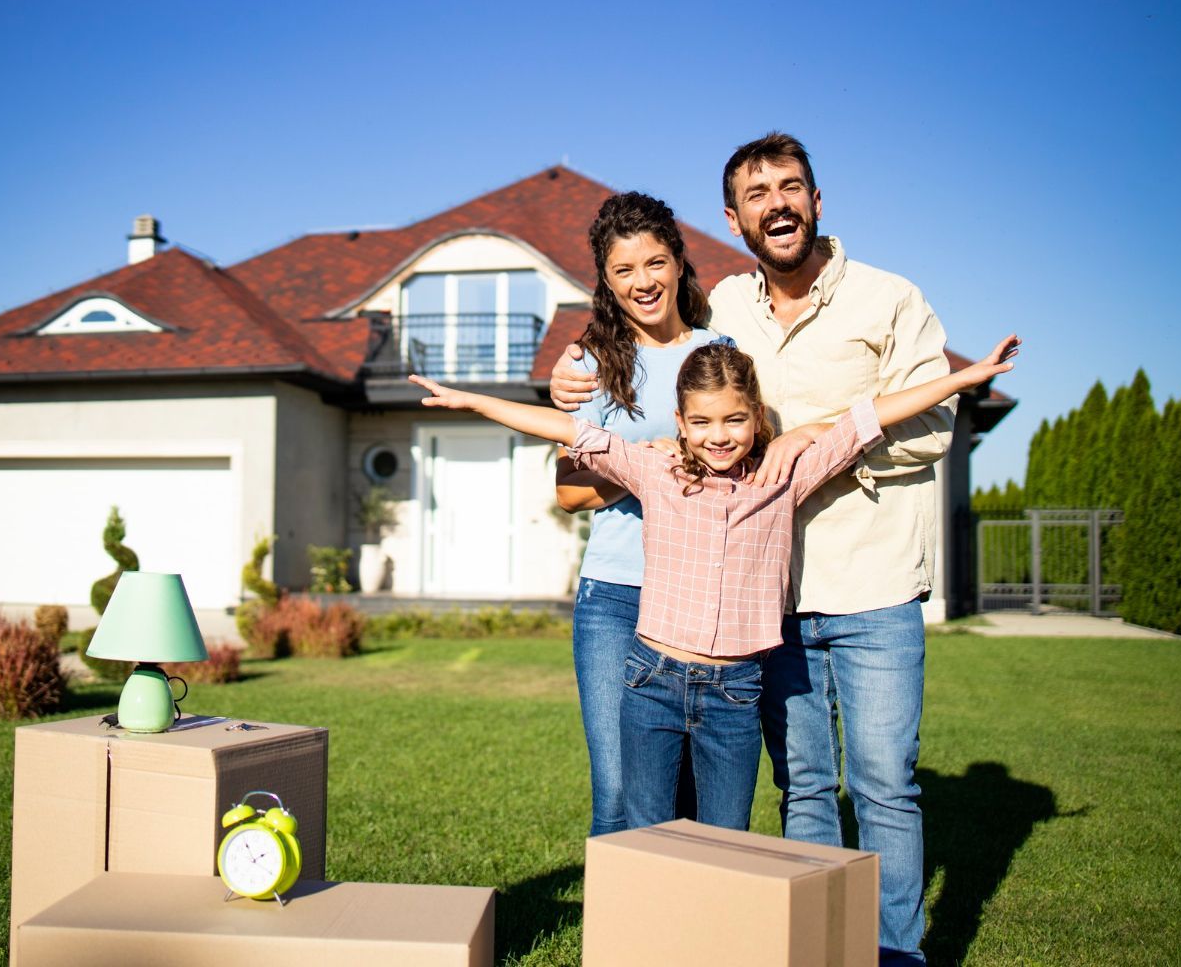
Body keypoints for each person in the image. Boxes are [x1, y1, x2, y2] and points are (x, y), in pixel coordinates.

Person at [551, 132, 959, 966]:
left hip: (826, 585)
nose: (643, 281)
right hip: (693, 601)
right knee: (735, 787)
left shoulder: (814, 314)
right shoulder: (659, 341)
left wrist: (797, 454)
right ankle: (706, 945)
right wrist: (624, 436)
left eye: (791, 187)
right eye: (758, 193)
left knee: (858, 784)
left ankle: (872, 951)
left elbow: (916, 426)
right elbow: (582, 465)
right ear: (732, 220)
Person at [412, 335, 1018, 835]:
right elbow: (566, 431)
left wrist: (964, 378)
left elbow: (870, 415)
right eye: (701, 421)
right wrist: (471, 400)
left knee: (723, 841)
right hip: (651, 681)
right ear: (679, 421)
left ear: (757, 418)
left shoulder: (785, 477)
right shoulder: (653, 468)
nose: (718, 435)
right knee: (646, 836)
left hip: (735, 692)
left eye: (734, 419)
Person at [557, 191, 729, 836]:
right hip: (614, 597)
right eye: (624, 270)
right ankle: (617, 938)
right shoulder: (593, 364)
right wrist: (645, 464)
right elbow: (569, 490)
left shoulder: (720, 351)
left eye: (654, 263)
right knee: (619, 787)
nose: (643, 282)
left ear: (679, 262)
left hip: (696, 595)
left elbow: (743, 456)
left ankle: (680, 930)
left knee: (685, 786)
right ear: (605, 280)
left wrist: (682, 456)